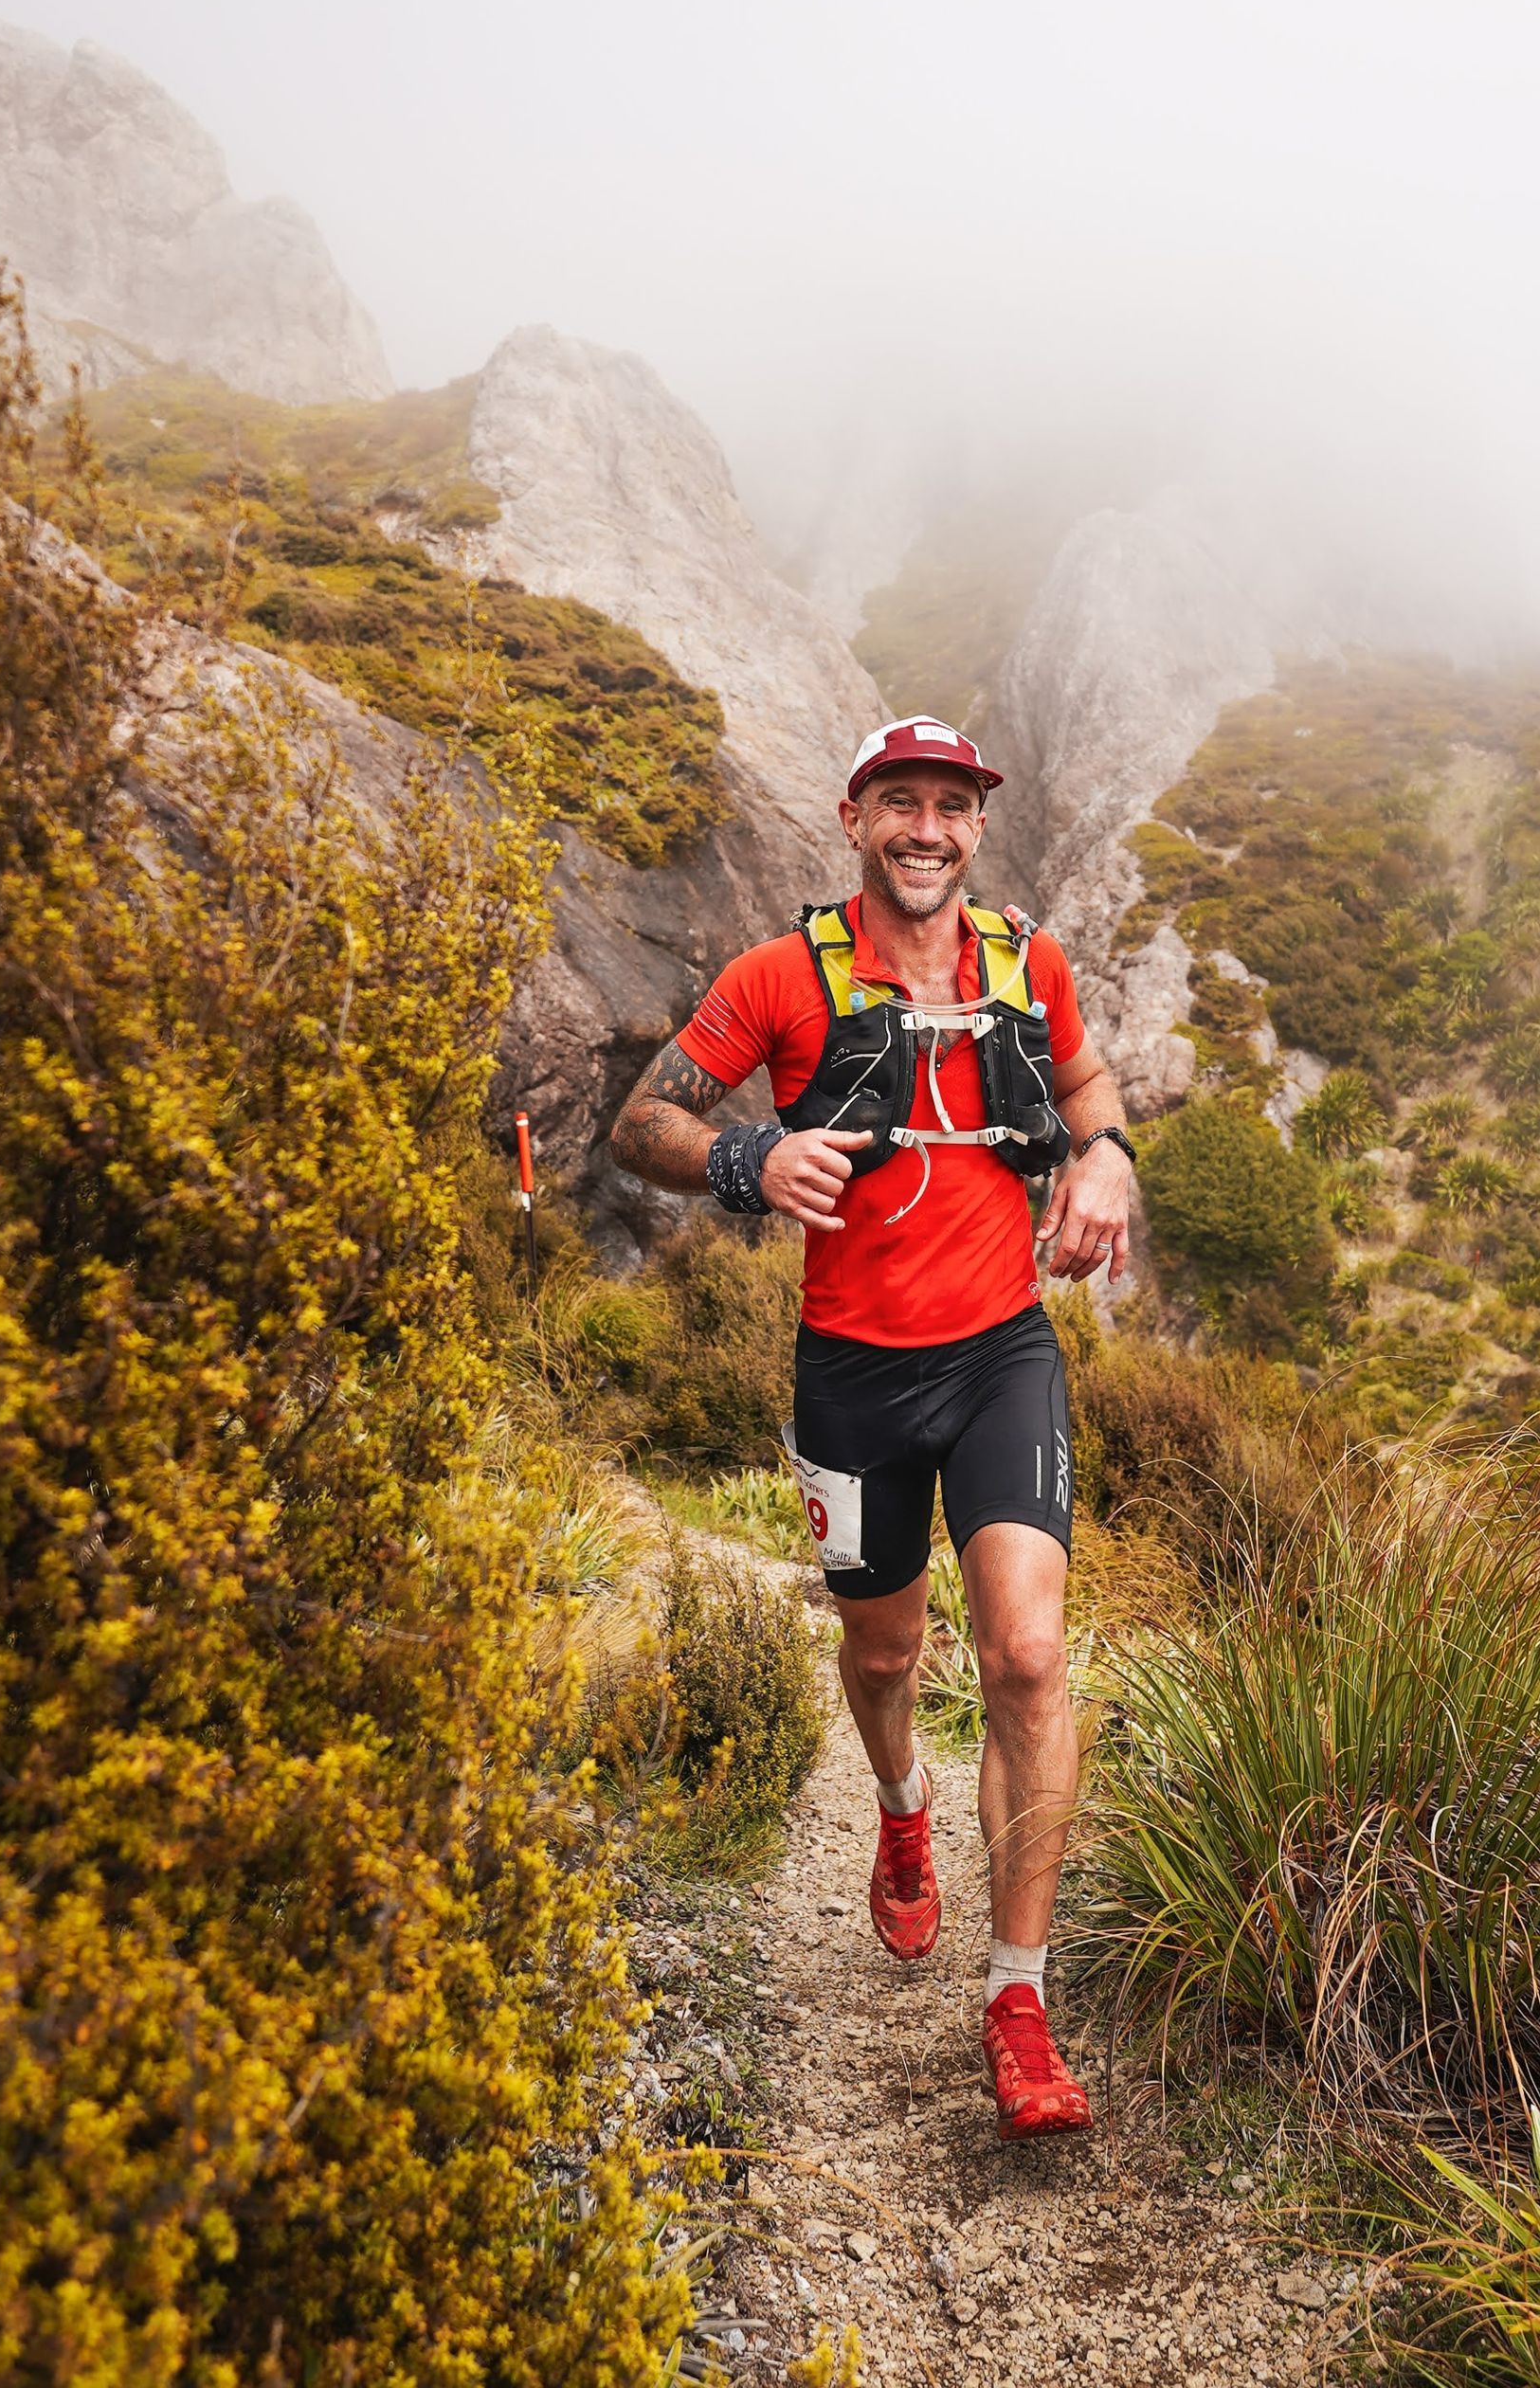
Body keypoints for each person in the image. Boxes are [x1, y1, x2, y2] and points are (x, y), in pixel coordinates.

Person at [608, 714, 1135, 2141]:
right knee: (884, 1651)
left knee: (1029, 1655)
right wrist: (747, 1154)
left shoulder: (1029, 967)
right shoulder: (781, 976)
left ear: (977, 826)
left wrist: (1106, 1160)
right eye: (899, 803)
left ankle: (1019, 2003)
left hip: (1003, 1358)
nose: (927, 829)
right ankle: (904, 1813)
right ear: (854, 819)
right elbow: (642, 1120)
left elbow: (1085, 1084)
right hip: (851, 1375)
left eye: (950, 807)